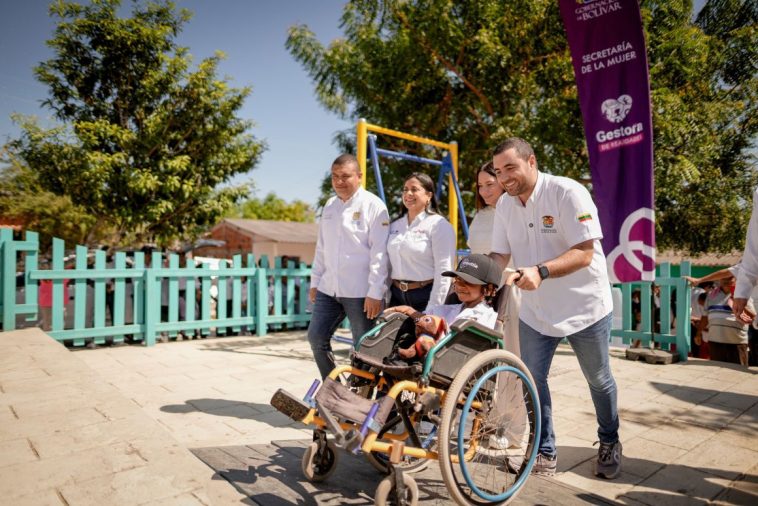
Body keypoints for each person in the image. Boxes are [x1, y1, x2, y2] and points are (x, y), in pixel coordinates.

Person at [489, 137, 621, 479]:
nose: (504, 177)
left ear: (531, 162)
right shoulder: (504, 205)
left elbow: (585, 252)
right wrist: (482, 274)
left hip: (585, 307)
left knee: (599, 378)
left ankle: (609, 440)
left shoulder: (568, 192)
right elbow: (500, 254)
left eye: (510, 168)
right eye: (499, 171)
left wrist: (540, 271)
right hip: (537, 311)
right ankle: (544, 451)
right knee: (533, 380)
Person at [308, 154, 390, 379]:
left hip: (361, 292)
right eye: (335, 177)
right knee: (316, 337)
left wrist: (376, 292)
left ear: (360, 176)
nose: (339, 182)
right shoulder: (330, 205)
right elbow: (322, 246)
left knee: (363, 349)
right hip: (329, 288)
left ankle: (356, 397)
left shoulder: (374, 206)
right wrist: (315, 281)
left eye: (345, 176)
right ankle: (333, 390)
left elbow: (380, 253)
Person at [468, 160, 521, 355]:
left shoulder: (516, 210)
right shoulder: (480, 215)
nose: (484, 191)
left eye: (489, 184)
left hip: (511, 289)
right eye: (480, 186)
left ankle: (518, 386)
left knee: (511, 349)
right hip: (481, 290)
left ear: (502, 181)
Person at [387, 172, 456, 312]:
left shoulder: (439, 225)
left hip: (425, 297)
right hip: (396, 296)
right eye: (405, 190)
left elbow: (444, 271)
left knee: (421, 335)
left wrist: (433, 309)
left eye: (414, 189)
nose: (408, 193)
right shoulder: (394, 226)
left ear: (429, 195)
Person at [384, 253, 501, 335]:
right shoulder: (446, 309)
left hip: (453, 361)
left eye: (468, 282)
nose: (460, 286)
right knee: (406, 324)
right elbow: (424, 318)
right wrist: (408, 310)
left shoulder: (487, 316)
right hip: (429, 357)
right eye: (458, 280)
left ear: (488, 289)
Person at [701, 274, 755, 366]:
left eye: (730, 278)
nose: (726, 280)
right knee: (715, 372)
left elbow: (751, 318)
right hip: (715, 342)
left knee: (738, 373)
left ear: (735, 280)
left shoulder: (743, 295)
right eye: (723, 278)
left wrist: (736, 299)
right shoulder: (711, 295)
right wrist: (699, 333)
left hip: (737, 343)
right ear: (719, 280)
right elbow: (705, 316)